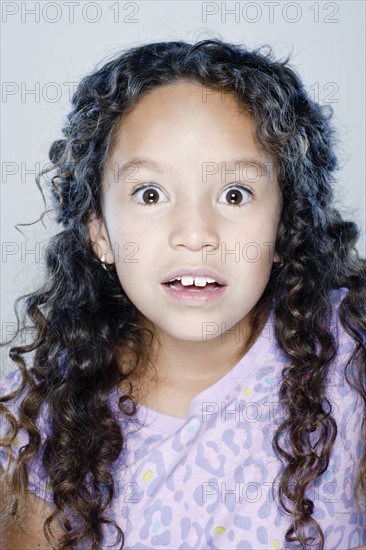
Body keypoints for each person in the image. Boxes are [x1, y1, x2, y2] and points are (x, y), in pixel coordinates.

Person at [0, 38, 365, 550]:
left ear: (285, 227)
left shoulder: (352, 369)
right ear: (100, 233)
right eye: (150, 194)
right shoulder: (44, 416)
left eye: (234, 195)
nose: (195, 233)